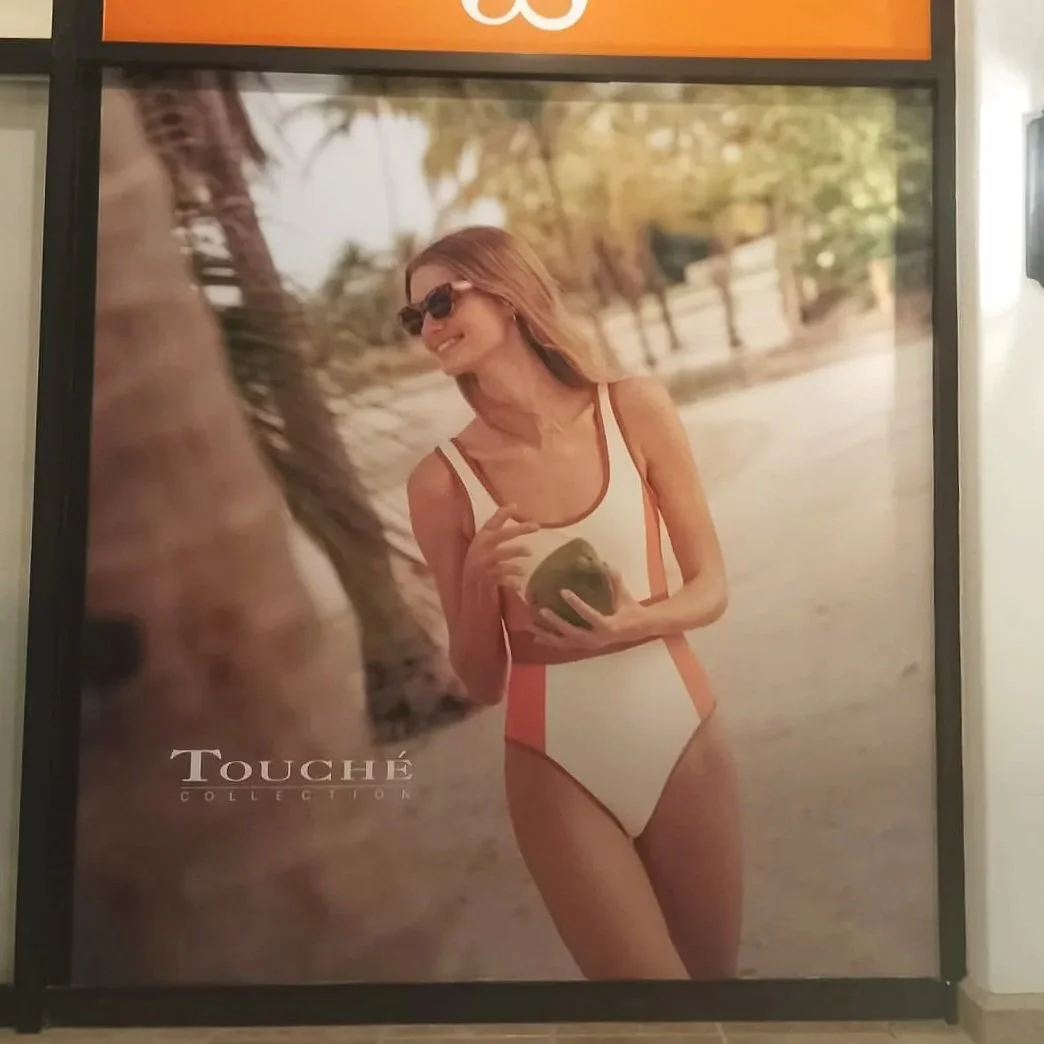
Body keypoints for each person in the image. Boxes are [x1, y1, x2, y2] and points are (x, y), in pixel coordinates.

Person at [403, 225, 743, 981]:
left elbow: (711, 585)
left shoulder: (634, 410)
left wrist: (640, 620)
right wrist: (476, 581)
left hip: (682, 731)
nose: (428, 327)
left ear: (507, 295)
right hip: (557, 763)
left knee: (711, 998)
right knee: (653, 1018)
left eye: (441, 302)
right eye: (414, 317)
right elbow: (482, 681)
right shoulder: (441, 482)